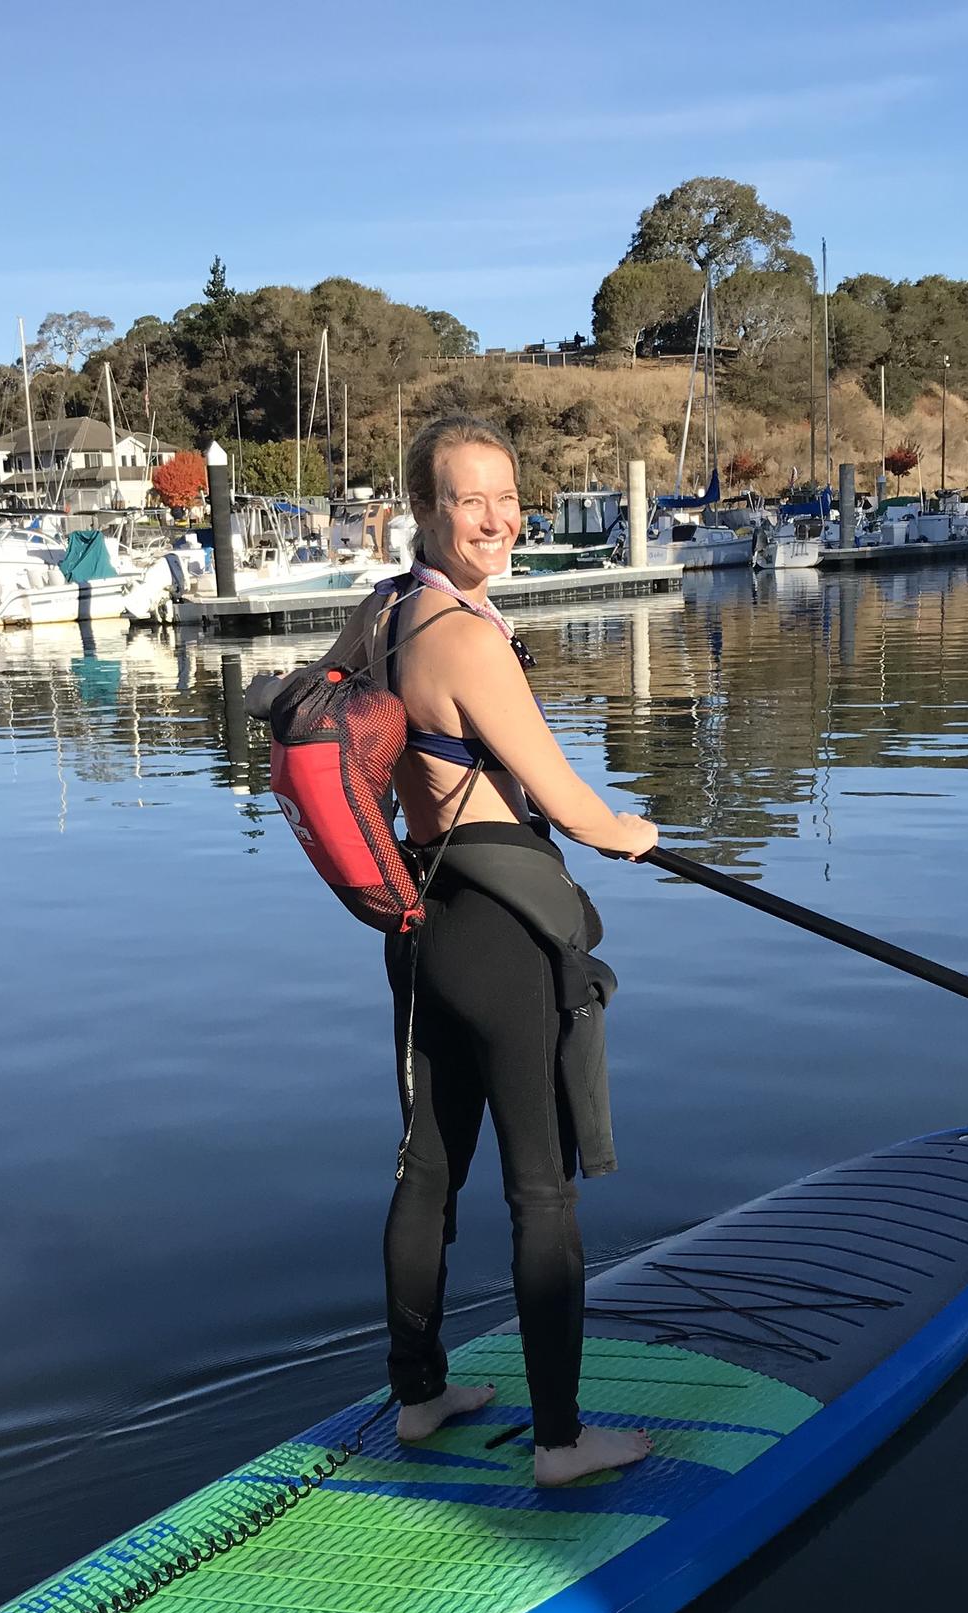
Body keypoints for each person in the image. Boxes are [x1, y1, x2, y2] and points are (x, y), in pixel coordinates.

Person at [382, 416, 658, 1489]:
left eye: (505, 495)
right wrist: (630, 832)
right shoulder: (469, 638)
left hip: (423, 922)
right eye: (468, 499)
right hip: (500, 933)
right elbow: (568, 804)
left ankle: (418, 1396)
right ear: (427, 509)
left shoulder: (392, 610)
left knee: (426, 1173)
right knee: (540, 1194)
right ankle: (558, 1441)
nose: (496, 517)